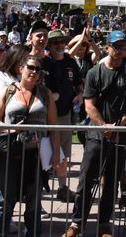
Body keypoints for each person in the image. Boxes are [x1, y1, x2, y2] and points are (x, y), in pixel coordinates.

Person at [0, 55, 68, 237]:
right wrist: (9, 129)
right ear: (21, 68)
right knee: (5, 201)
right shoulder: (8, 91)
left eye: (38, 69)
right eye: (31, 68)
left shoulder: (45, 94)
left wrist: (56, 154)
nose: (34, 72)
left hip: (36, 156)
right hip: (10, 153)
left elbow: (53, 127)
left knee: (33, 202)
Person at [64, 30, 126, 237]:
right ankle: (77, 223)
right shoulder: (95, 72)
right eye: (117, 46)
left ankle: (104, 223)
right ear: (107, 47)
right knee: (87, 179)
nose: (121, 50)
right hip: (96, 135)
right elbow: (89, 105)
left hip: (120, 135)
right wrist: (104, 126)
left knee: (111, 182)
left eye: (124, 46)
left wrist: (119, 125)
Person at [43, 29, 82, 202]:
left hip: (65, 114)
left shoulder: (70, 62)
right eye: (55, 42)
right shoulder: (44, 63)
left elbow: (79, 83)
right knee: (44, 154)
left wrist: (80, 94)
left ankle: (62, 188)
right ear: (49, 45)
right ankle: (39, 191)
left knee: (64, 154)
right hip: (44, 116)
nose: (59, 45)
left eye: (62, 42)